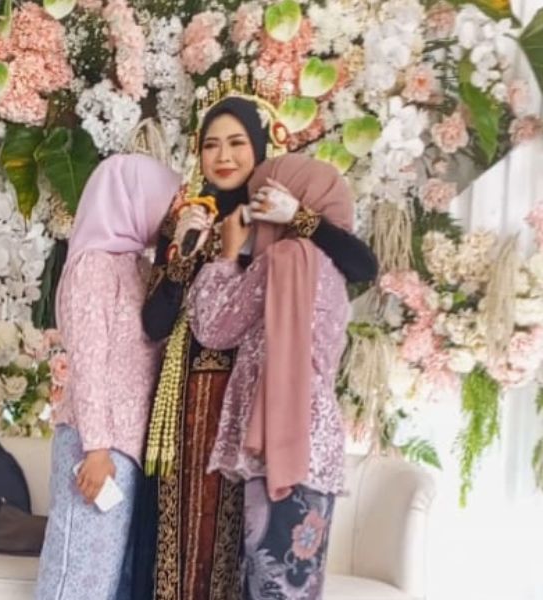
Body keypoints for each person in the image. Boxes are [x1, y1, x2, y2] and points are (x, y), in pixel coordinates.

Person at [131, 92, 377, 600]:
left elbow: (361, 266)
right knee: (180, 541)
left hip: (253, 404)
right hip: (187, 404)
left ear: (260, 147)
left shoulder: (277, 220)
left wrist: (299, 217)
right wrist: (183, 256)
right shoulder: (186, 220)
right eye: (211, 145)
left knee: (243, 550)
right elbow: (155, 324)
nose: (223, 156)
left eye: (237, 143)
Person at [189, 153, 354, 599]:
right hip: (315, 447)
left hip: (282, 442)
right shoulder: (333, 270)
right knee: (295, 586)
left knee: (270, 587)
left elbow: (214, 327)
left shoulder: (285, 261)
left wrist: (227, 254)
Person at [35, 154, 180, 600]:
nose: (170, 212)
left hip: (126, 450)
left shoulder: (137, 266)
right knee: (77, 578)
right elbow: (89, 361)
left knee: (107, 581)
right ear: (134, 199)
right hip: (96, 446)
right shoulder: (93, 265)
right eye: (165, 201)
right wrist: (96, 449)